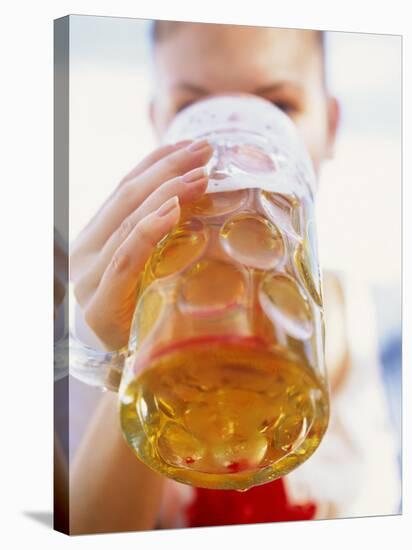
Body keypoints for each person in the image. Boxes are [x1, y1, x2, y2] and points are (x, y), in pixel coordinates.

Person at [68, 22, 400, 534]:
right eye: (188, 109)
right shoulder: (109, 321)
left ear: (329, 126)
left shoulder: (352, 307)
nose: (236, 147)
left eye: (280, 107)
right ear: (159, 125)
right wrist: (117, 358)